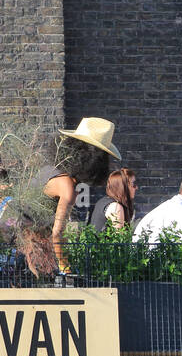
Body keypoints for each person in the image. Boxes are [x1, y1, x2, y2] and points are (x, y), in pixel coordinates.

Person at [22, 118, 120, 275]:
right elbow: (58, 232)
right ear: (96, 161)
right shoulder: (67, 186)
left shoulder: (49, 171)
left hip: (22, 242)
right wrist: (65, 268)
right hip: (27, 247)